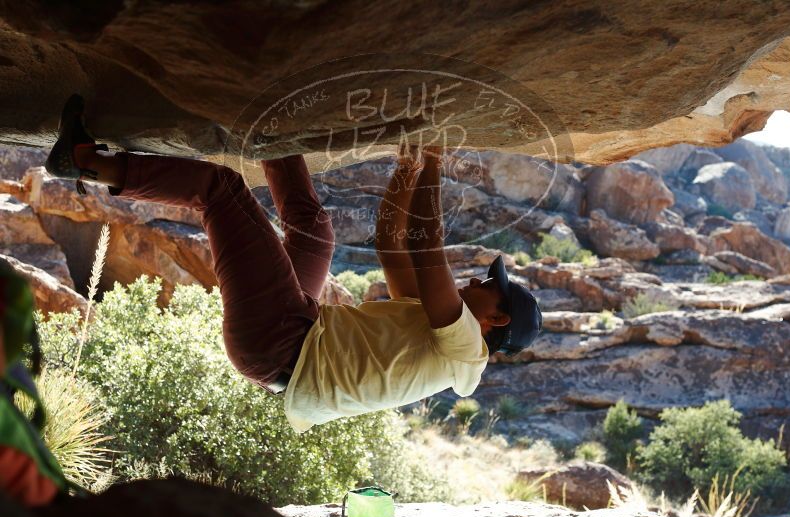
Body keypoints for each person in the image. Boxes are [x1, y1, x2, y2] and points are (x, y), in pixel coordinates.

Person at [45, 95, 542, 433]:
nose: (479, 278)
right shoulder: (442, 329)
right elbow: (393, 241)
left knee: (221, 190)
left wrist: (433, 161)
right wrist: (408, 167)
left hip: (279, 341)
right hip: (295, 330)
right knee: (313, 229)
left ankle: (86, 160)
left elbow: (425, 244)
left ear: (495, 319)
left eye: (490, 286)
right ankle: (269, 126)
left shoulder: (465, 349)